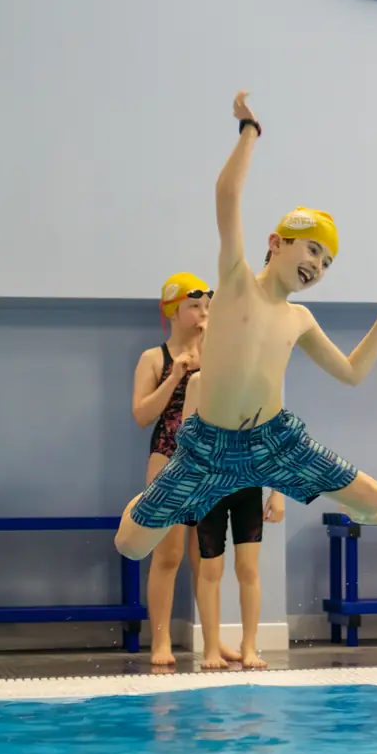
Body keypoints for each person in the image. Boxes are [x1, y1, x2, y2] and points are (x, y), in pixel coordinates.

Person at [114, 90, 377, 565]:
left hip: (274, 442)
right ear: (276, 242)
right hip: (208, 448)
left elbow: (353, 372)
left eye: (327, 262)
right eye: (312, 249)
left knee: (375, 498)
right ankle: (147, 502)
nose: (318, 265)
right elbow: (227, 195)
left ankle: (364, 512)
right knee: (129, 546)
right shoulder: (235, 282)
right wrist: (249, 130)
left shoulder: (300, 318)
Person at [129, 272, 236, 667]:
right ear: (172, 311)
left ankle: (213, 641)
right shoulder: (154, 358)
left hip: (210, 463)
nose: (203, 312)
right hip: (168, 459)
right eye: (194, 305)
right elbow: (142, 415)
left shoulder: (220, 355)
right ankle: (160, 642)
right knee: (168, 555)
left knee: (208, 558)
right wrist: (175, 376)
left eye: (207, 305)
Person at [184, 370, 283, 670]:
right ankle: (211, 646)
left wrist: (278, 492)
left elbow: (275, 440)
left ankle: (249, 645)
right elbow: (185, 441)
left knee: (248, 568)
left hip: (248, 487)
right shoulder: (200, 381)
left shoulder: (260, 382)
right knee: (210, 569)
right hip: (209, 489)